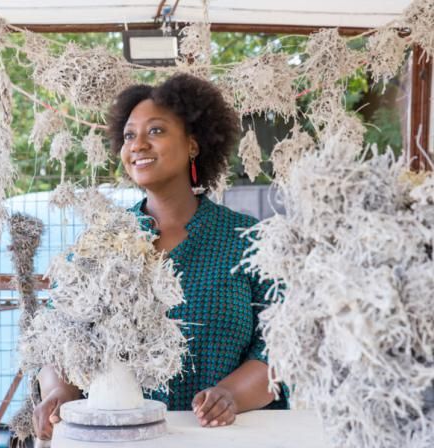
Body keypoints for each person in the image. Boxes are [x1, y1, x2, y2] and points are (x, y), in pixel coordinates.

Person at [32, 73, 286, 442]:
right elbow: (59, 338)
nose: (138, 145)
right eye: (129, 135)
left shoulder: (250, 241)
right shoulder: (101, 242)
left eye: (156, 131)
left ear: (194, 145)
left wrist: (230, 395)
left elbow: (280, 345)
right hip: (127, 437)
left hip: (228, 436)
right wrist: (59, 392)